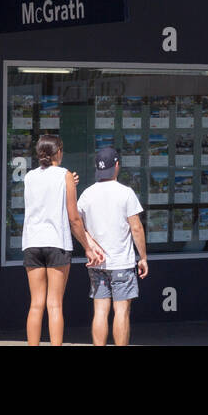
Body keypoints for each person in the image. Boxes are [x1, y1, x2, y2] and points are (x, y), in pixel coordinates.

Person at [21, 134, 103, 345]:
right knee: (54, 304)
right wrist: (87, 246)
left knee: (36, 304)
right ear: (58, 152)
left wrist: (69, 182)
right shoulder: (64, 175)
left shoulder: (29, 177)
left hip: (32, 242)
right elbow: (74, 218)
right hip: (56, 242)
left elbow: (45, 193)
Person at [76, 145, 149, 346]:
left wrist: (89, 243)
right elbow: (136, 228)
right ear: (117, 165)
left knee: (100, 310)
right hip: (122, 263)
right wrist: (143, 257)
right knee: (122, 311)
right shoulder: (126, 193)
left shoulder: (86, 194)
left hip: (97, 263)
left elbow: (75, 223)